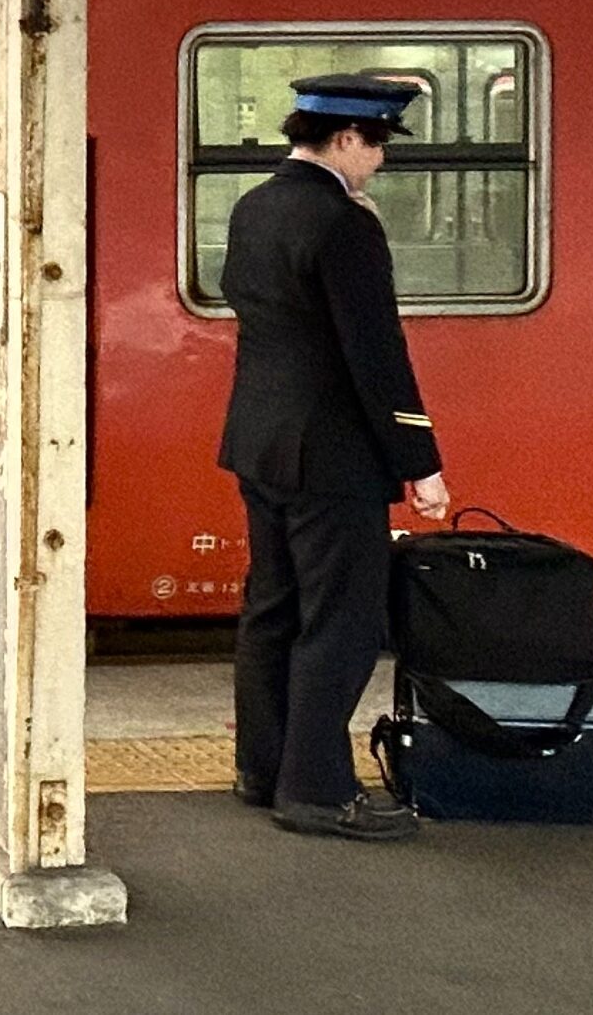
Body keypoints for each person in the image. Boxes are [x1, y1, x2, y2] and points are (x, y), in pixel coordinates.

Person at [218, 73, 453, 842]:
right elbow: (376, 353)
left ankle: (264, 768)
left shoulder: (254, 207)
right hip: (333, 456)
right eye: (378, 144)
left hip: (260, 443)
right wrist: (420, 460)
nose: (379, 161)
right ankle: (316, 790)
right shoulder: (344, 224)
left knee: (273, 609)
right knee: (343, 623)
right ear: (346, 138)